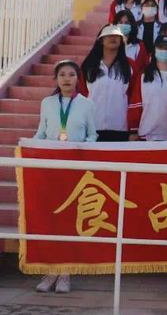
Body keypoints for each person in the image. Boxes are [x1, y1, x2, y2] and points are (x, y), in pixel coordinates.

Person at [34, 60, 97, 294]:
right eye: (62, 74)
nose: (66, 79)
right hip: (51, 169)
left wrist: (81, 148)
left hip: (75, 169)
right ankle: (50, 272)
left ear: (78, 78)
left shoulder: (87, 104)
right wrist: (27, 146)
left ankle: (65, 274)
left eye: (71, 74)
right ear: (56, 79)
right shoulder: (47, 103)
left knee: (69, 220)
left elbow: (93, 135)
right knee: (51, 219)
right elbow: (41, 133)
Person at [79, 25, 133, 142]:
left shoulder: (130, 66)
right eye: (108, 35)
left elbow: (134, 97)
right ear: (101, 40)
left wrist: (133, 128)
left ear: (121, 40)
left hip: (120, 127)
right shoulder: (88, 65)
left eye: (116, 36)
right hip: (93, 126)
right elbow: (81, 95)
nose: (113, 38)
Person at [127, 35, 167, 142]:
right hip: (146, 135)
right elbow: (136, 104)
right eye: (161, 47)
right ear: (155, 50)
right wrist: (133, 130)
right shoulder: (143, 76)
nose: (164, 51)